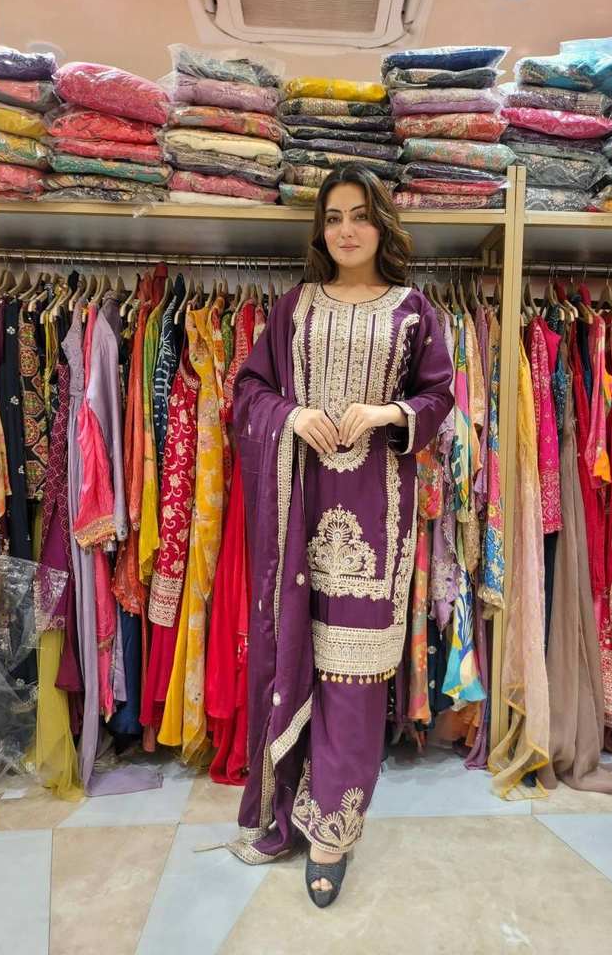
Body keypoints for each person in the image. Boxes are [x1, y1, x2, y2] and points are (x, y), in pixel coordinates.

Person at [227, 164, 455, 907]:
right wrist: (291, 416)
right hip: (297, 513)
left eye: (360, 216)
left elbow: (439, 395)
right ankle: (287, 810)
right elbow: (248, 392)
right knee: (296, 656)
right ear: (320, 230)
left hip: (376, 519)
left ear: (381, 226)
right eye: (333, 218)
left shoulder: (414, 311)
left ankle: (332, 830)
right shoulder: (292, 309)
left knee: (355, 678)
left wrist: (389, 413)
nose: (347, 230)